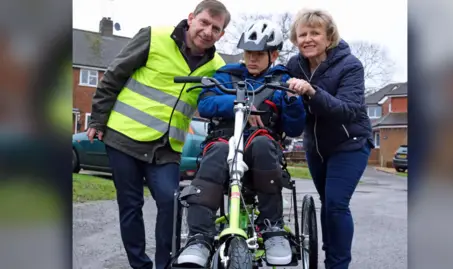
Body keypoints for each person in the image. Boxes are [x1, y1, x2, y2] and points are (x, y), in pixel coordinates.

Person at [86, 1, 230, 268]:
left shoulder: (217, 66)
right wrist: (98, 118)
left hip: (166, 147)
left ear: (221, 34)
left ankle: (166, 264)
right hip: (124, 137)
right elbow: (114, 75)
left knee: (171, 202)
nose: (208, 31)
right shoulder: (155, 36)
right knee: (130, 204)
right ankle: (140, 265)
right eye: (204, 23)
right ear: (191, 19)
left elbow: (220, 99)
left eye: (216, 28)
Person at [173, 20, 306, 267]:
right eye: (248, 53)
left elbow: (295, 128)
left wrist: (292, 101)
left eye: (258, 54)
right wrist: (242, 102)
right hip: (224, 138)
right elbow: (205, 104)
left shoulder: (282, 81)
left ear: (274, 55)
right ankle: (199, 237)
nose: (252, 59)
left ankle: (272, 228)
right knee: (217, 152)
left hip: (261, 143)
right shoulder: (226, 74)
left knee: (264, 145)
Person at [285, 8, 374, 269]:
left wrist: (313, 91)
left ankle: (338, 264)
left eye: (315, 33)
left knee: (336, 204)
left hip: (350, 143)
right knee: (327, 203)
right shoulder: (295, 65)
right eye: (302, 34)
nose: (308, 39)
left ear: (329, 37)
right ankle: (328, 251)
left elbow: (348, 109)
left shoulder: (350, 65)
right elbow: (274, 78)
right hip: (317, 148)